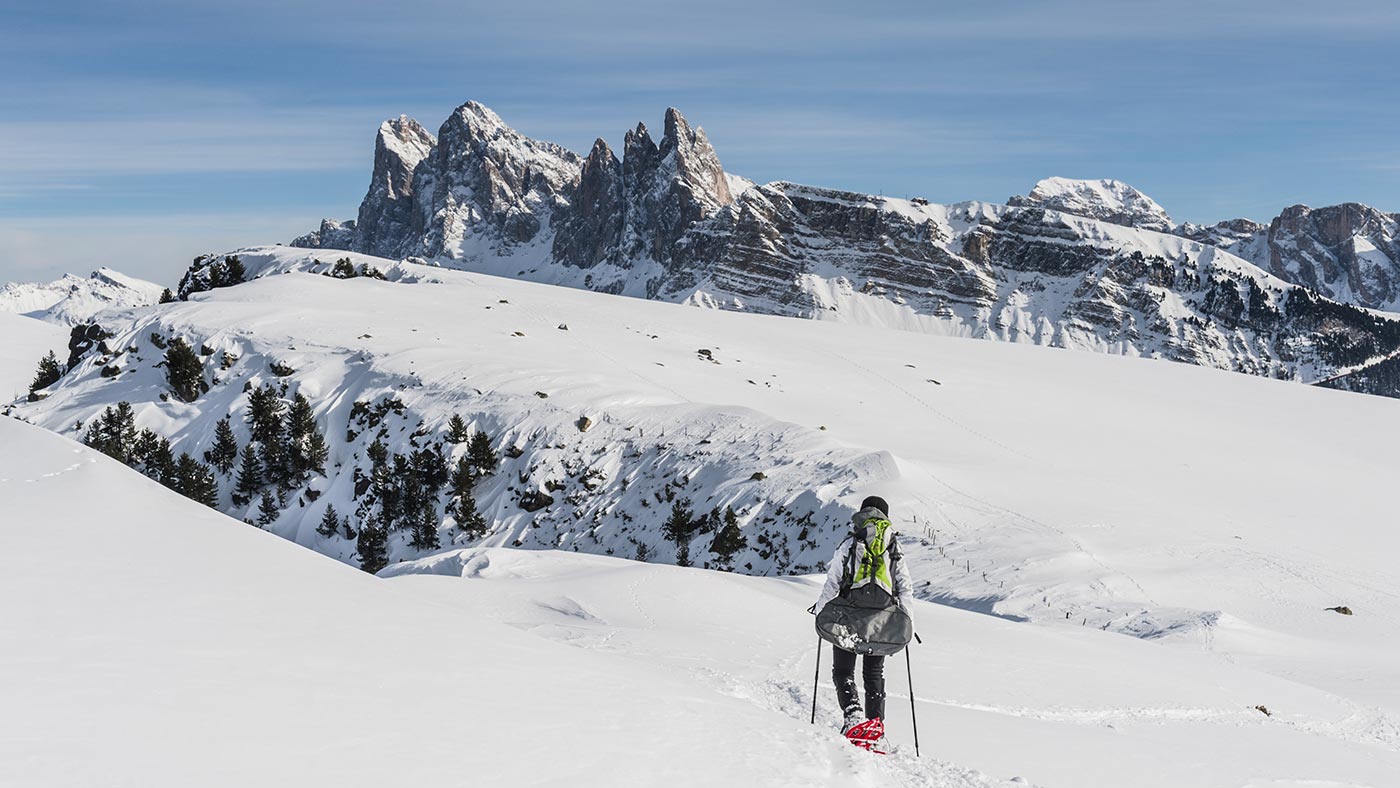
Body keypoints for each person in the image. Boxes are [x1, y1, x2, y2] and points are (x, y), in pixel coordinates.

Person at [812, 495, 914, 734]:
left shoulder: (851, 542)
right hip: (882, 619)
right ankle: (875, 726)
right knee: (874, 672)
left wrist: (821, 611)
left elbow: (833, 580)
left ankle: (853, 715)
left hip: (848, 616)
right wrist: (907, 619)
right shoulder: (893, 545)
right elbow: (904, 585)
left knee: (843, 670)